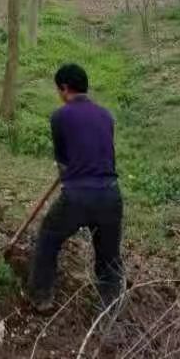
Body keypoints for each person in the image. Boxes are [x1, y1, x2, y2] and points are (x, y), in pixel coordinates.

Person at [28, 63, 123, 313]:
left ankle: (42, 298)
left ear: (64, 88)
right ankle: (111, 312)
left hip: (78, 195)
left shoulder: (60, 116)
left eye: (58, 90)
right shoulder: (106, 115)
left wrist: (68, 173)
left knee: (48, 237)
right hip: (111, 194)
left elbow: (63, 162)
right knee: (109, 258)